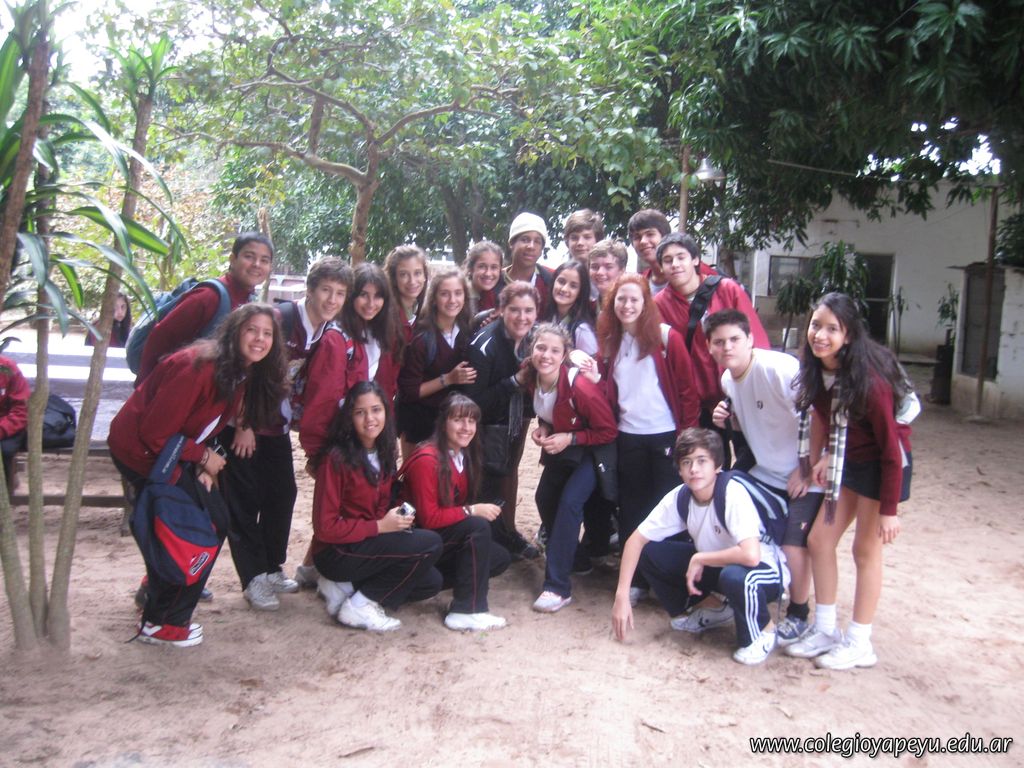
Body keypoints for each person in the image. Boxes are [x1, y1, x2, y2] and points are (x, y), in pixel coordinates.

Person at [109, 304, 287, 646]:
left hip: (169, 452)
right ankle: (162, 623)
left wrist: (202, 460)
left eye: (267, 333)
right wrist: (201, 457)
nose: (259, 339)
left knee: (213, 517)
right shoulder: (199, 366)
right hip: (142, 452)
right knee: (197, 525)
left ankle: (157, 591)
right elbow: (155, 431)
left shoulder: (238, 371)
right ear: (234, 331)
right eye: (252, 330)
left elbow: (200, 424)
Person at [785, 292, 912, 670]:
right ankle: (825, 629)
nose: (820, 335)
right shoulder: (818, 368)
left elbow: (891, 449)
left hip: (882, 467)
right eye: (816, 325)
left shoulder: (870, 381)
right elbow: (827, 418)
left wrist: (889, 510)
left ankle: (860, 641)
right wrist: (823, 457)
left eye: (832, 329)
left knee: (865, 550)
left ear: (849, 335)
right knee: (819, 540)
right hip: (847, 461)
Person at [221, 258, 351, 611]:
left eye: (340, 293)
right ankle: (253, 578)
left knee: (282, 493)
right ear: (309, 290)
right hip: (243, 424)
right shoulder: (280, 319)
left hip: (274, 424)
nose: (332, 299)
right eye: (325, 290)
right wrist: (244, 423)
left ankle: (271, 567)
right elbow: (244, 365)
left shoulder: (325, 330)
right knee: (244, 501)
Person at [612, 429, 788, 665]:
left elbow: (751, 555)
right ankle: (713, 609)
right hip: (720, 565)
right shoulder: (681, 497)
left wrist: (700, 559)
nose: (694, 469)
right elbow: (636, 540)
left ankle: (764, 631)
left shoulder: (732, 493)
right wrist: (622, 595)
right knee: (650, 553)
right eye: (686, 462)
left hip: (764, 571)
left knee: (736, 577)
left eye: (702, 461)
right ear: (679, 469)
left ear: (717, 465)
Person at [705, 308, 823, 647]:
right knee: (723, 505)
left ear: (750, 339)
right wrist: (728, 419)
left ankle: (798, 612)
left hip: (807, 472)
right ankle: (747, 585)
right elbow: (756, 422)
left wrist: (807, 468)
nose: (727, 347)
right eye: (719, 342)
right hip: (766, 472)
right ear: (710, 347)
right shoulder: (728, 381)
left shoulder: (778, 369)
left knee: (793, 543)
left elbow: (819, 415)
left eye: (734, 339)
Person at [592, 274, 700, 604]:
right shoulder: (610, 343)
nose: (627, 305)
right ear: (612, 304)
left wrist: (688, 437)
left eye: (634, 299)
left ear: (645, 303)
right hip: (629, 437)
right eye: (621, 299)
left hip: (666, 435)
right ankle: (636, 578)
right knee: (632, 508)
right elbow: (606, 388)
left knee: (669, 508)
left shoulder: (666, 338)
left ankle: (671, 581)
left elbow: (687, 390)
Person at [312, 381, 443, 632]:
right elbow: (325, 528)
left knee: (430, 582)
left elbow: (383, 502)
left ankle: (345, 587)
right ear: (349, 417)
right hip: (337, 551)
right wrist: (380, 526)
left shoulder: (384, 451)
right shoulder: (335, 459)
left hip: (369, 542)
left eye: (376, 410)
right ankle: (359, 605)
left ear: (386, 411)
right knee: (430, 543)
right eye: (360, 412)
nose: (370, 419)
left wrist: (398, 514)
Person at [653, 232, 768, 465]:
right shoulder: (659, 304)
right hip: (699, 404)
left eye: (681, 257)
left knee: (752, 460)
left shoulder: (727, 289)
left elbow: (755, 339)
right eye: (668, 260)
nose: (675, 264)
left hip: (739, 394)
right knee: (710, 465)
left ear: (695, 259)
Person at [399, 393, 510, 631]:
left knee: (498, 557)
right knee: (477, 527)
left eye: (471, 421)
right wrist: (472, 510)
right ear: (443, 423)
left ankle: (442, 584)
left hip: (438, 536)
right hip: (416, 539)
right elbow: (428, 518)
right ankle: (467, 608)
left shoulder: (463, 455)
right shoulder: (427, 459)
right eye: (458, 420)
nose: (466, 427)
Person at [527, 324, 617, 613]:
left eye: (554, 350)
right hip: (567, 448)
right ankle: (576, 559)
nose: (546, 355)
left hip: (594, 450)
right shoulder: (532, 377)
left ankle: (557, 587)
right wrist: (543, 427)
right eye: (541, 348)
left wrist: (571, 438)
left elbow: (608, 431)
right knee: (544, 497)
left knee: (569, 503)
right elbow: (548, 411)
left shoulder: (580, 387)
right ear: (531, 349)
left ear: (565, 354)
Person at [465, 281, 540, 560]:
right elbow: (473, 402)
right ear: (501, 310)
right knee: (484, 482)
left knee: (506, 473)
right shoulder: (485, 344)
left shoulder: (535, 338)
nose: (522, 317)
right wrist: (514, 382)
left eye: (528, 311)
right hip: (482, 424)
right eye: (515, 310)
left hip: (514, 418)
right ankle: (483, 541)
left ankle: (506, 533)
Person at [137, 233, 272, 383]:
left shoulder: (248, 302)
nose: (257, 264)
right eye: (249, 257)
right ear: (233, 259)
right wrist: (146, 388)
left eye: (264, 260)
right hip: (180, 388)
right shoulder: (207, 297)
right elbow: (158, 340)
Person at [397, 268, 477, 455]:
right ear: (433, 298)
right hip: (419, 423)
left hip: (451, 422)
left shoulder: (467, 331)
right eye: (444, 294)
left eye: (458, 293)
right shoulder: (421, 338)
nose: (452, 300)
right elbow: (409, 392)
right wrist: (448, 379)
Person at [344, 263, 403, 405]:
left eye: (377, 296)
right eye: (364, 295)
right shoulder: (339, 335)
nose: (371, 304)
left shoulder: (382, 330)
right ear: (351, 296)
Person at [543, 260, 598, 356]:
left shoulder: (582, 330)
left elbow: (592, 363)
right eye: (561, 282)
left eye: (573, 286)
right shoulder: (551, 317)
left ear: (580, 292)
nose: (564, 289)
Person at [504, 212, 554, 317]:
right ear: (511, 243)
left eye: (537, 242)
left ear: (541, 249)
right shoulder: (493, 281)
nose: (531, 246)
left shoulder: (553, 280)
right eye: (525, 240)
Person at [384, 244, 429, 345]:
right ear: (394, 278)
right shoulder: (386, 315)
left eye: (417, 273)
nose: (412, 281)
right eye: (403, 274)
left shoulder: (425, 311)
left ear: (425, 276)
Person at [0, 355, 29, 496]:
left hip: (7, 424)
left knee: (4, 451)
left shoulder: (7, 367)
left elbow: (21, 410)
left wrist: (2, 429)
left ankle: (4, 496)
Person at [627, 209, 672, 296]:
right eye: (637, 237)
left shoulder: (690, 274)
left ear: (665, 237)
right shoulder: (639, 284)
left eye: (650, 234)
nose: (643, 241)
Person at [465, 240, 506, 318]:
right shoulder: (460, 296)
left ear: (500, 270)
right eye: (482, 266)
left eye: (494, 267)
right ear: (471, 268)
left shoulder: (503, 295)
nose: (488, 273)